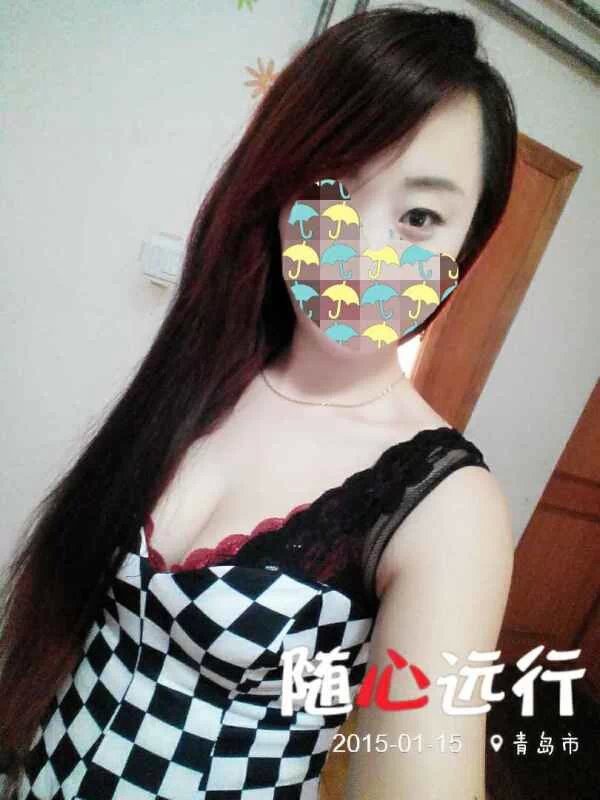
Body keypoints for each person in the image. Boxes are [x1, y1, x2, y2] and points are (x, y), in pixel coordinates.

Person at [0, 5, 517, 799]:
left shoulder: (446, 508)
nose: (363, 254)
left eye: (420, 217)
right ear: (276, 199)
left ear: (464, 250)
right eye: (329, 193)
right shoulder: (202, 376)